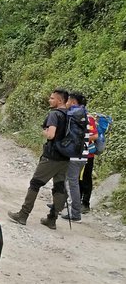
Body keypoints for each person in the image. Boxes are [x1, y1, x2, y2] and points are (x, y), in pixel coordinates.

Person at [8, 88, 70, 230]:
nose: (50, 100)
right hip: (65, 157)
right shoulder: (71, 115)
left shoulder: (55, 114)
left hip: (52, 156)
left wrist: (44, 131)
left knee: (35, 184)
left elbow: (51, 135)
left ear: (60, 100)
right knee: (59, 187)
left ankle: (23, 215)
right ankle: (52, 219)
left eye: (52, 98)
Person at [61, 92, 94, 222]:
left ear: (73, 102)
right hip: (82, 154)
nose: (66, 103)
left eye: (68, 101)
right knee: (69, 181)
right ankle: (59, 206)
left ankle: (75, 213)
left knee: (72, 183)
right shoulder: (84, 114)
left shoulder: (74, 114)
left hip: (76, 155)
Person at [80, 113, 99, 214]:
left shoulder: (88, 118)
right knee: (76, 178)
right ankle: (76, 201)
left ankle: (85, 204)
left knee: (86, 178)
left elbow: (95, 135)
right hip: (76, 153)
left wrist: (82, 138)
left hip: (87, 155)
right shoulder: (72, 115)